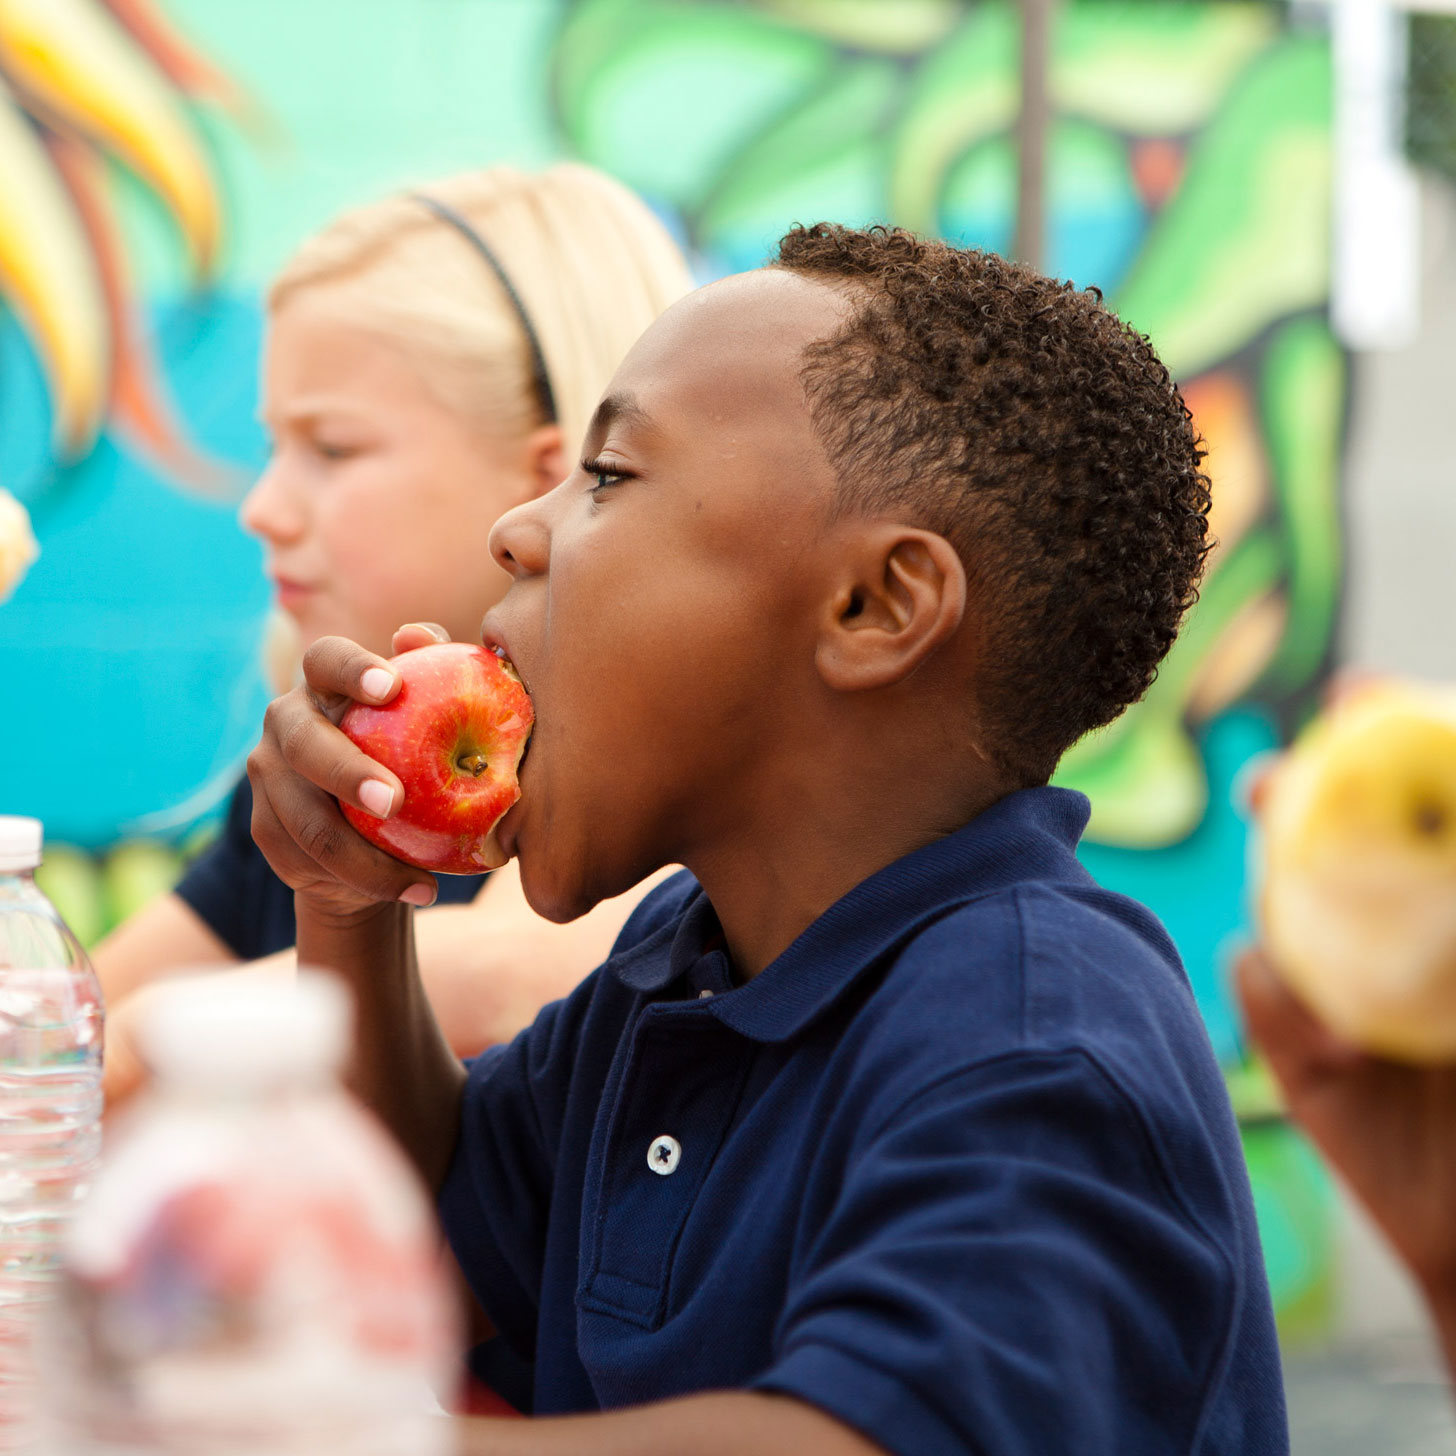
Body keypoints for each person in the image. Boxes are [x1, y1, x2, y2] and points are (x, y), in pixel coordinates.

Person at [246, 223, 1289, 1452]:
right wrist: (349, 904)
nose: (518, 531)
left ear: (874, 606)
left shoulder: (1035, 1032)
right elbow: (412, 1237)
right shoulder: (681, 968)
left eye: (610, 474)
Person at [93, 164, 694, 1092]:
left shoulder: (659, 768)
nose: (262, 508)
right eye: (272, 446)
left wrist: (128, 1052)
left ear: (541, 476)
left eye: (330, 448)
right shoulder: (332, 765)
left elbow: (499, 978)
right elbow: (70, 1018)